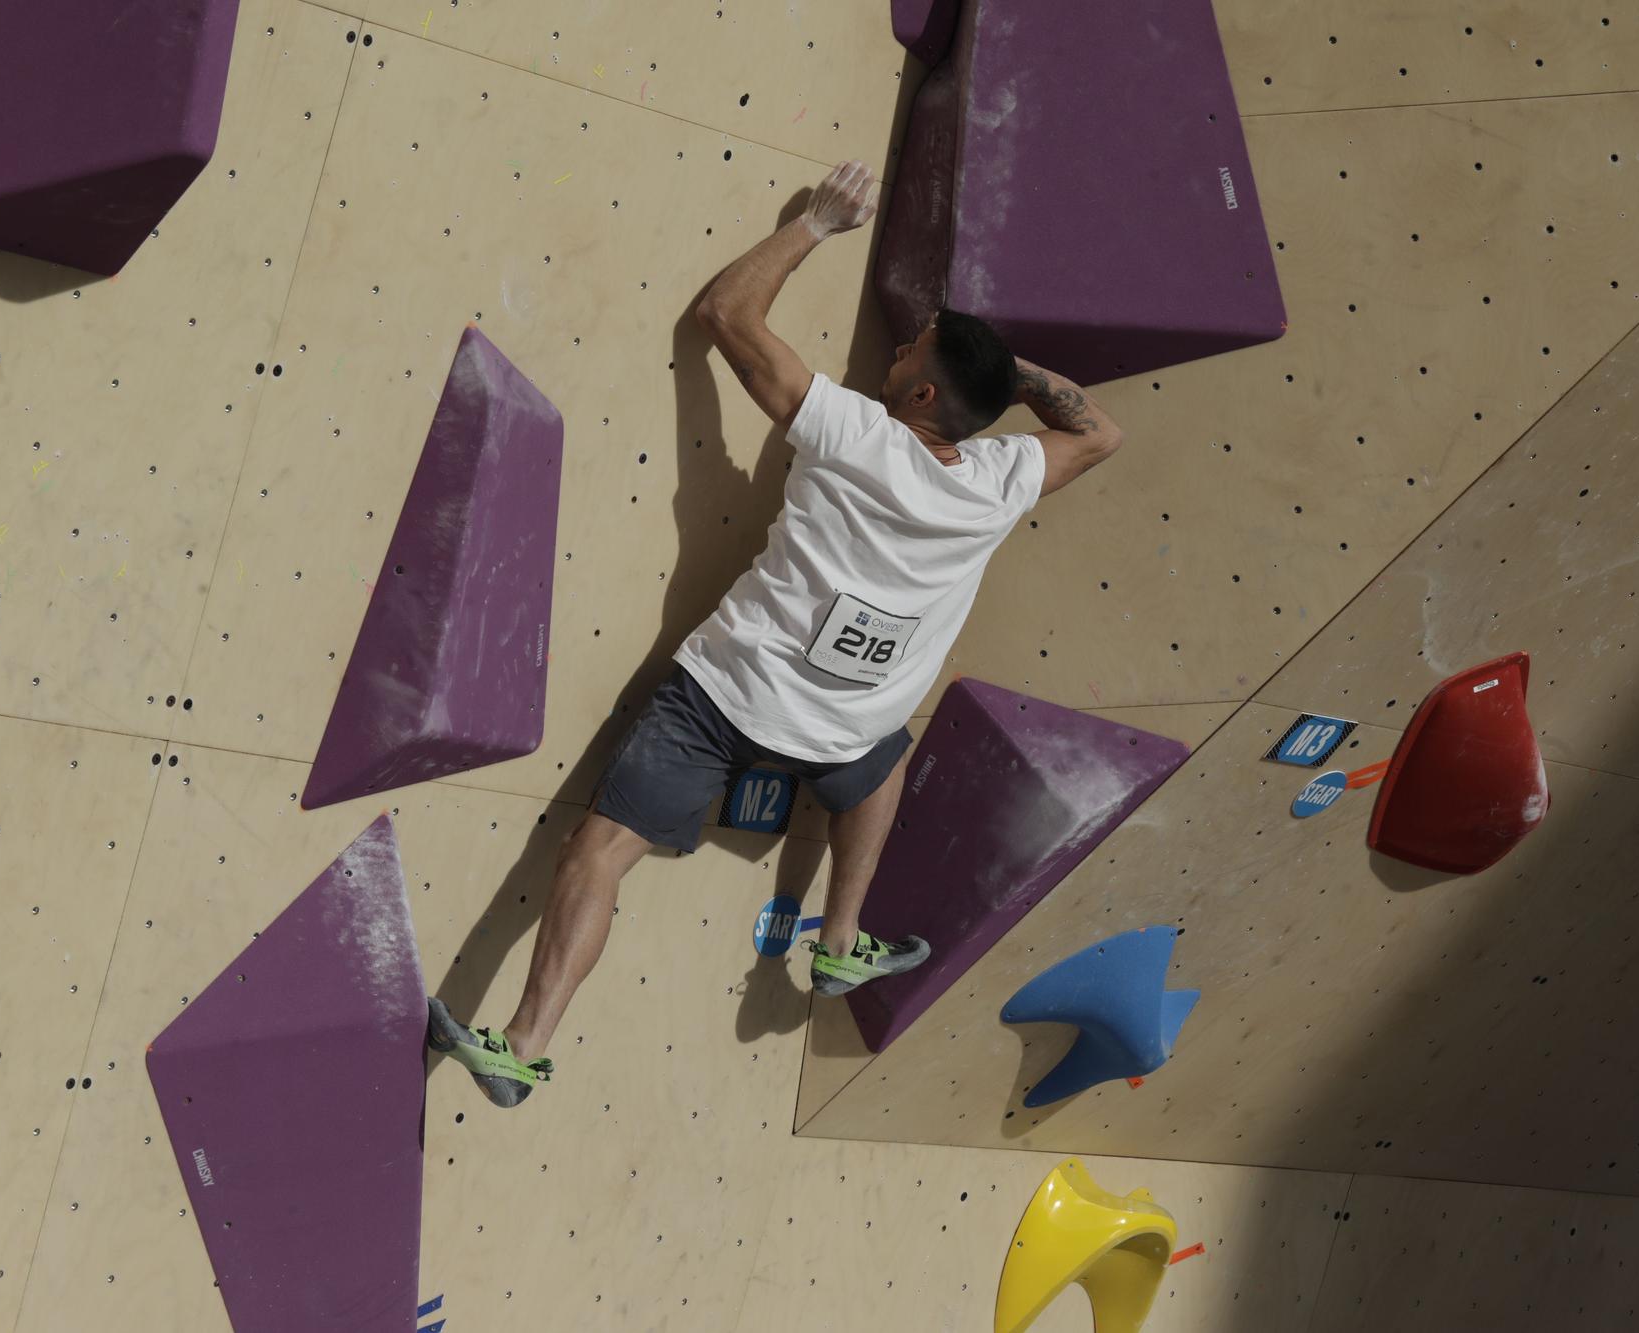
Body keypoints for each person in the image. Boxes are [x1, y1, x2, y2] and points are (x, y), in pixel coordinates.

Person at [428, 160, 1124, 1107]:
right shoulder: (995, 484)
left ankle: (524, 1045)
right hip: (846, 729)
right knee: (882, 761)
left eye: (916, 349)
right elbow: (1097, 432)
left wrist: (818, 226)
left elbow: (724, 314)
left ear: (921, 398)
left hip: (727, 698)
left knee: (597, 852)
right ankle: (837, 943)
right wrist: (999, 378)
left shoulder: (852, 432)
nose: (901, 349)